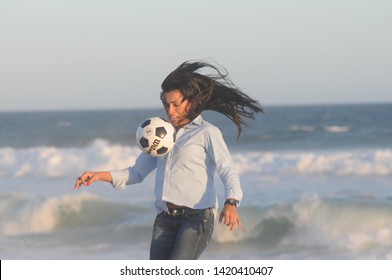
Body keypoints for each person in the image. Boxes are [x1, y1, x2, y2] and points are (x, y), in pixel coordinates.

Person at [74, 60, 263, 259]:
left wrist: (231, 202)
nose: (170, 111)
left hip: (197, 217)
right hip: (164, 218)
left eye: (176, 104)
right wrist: (98, 176)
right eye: (166, 104)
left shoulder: (207, 132)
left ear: (190, 102)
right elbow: (136, 173)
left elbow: (227, 170)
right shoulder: (159, 135)